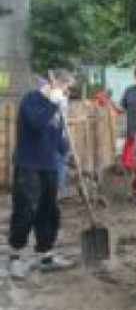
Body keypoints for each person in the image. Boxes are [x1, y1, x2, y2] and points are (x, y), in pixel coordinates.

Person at [7, 69, 75, 279]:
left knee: (49, 209)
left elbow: (55, 133)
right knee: (25, 208)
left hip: (49, 164)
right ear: (55, 83)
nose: (67, 92)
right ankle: (16, 256)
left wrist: (66, 149)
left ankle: (45, 256)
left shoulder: (58, 105)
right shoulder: (31, 100)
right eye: (66, 87)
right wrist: (54, 103)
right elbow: (37, 125)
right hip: (28, 164)